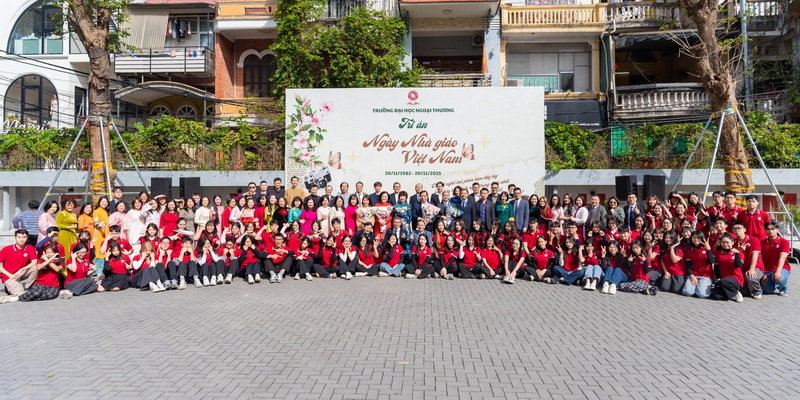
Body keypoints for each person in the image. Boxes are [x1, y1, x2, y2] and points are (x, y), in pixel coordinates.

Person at [0, 229, 39, 302]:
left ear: (27, 238)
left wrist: (22, 269)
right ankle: (7, 295)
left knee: (36, 268)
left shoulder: (30, 248)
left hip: (21, 273)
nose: (22, 239)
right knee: (21, 295)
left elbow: (34, 262)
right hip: (9, 276)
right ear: (15, 237)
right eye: (19, 237)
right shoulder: (6, 249)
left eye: (24, 237)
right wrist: (10, 275)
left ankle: (28, 287)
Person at [731, 221, 765, 300]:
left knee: (750, 276)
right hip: (742, 267)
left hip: (756, 266)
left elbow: (755, 255)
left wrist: (752, 269)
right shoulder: (733, 242)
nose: (737, 230)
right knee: (744, 291)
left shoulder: (753, 240)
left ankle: (757, 292)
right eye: (734, 228)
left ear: (744, 230)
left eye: (739, 228)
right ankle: (751, 287)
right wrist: (739, 250)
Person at [710, 234, 745, 302]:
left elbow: (738, 265)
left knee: (724, 281)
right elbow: (716, 267)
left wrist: (737, 253)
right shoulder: (718, 253)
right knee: (716, 296)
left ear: (732, 242)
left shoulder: (739, 253)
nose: (725, 244)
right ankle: (730, 294)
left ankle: (736, 293)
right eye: (723, 242)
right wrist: (718, 278)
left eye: (727, 242)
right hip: (723, 279)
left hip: (736, 279)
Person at [681, 231, 715, 299]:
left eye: (698, 238)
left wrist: (708, 249)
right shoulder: (690, 250)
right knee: (687, 292)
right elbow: (688, 265)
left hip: (705, 275)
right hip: (694, 274)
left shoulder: (707, 248)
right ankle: (697, 288)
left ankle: (705, 287)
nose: (696, 239)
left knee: (702, 295)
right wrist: (691, 276)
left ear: (702, 238)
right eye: (694, 237)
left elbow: (711, 261)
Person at [761, 221, 791, 296]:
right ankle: (774, 283)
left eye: (773, 229)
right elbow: (760, 260)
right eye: (768, 229)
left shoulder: (784, 242)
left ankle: (783, 289)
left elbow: (782, 258)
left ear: (777, 230)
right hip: (767, 269)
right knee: (767, 290)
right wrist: (762, 274)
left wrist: (778, 272)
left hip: (782, 268)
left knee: (779, 278)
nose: (770, 231)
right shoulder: (761, 243)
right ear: (765, 230)